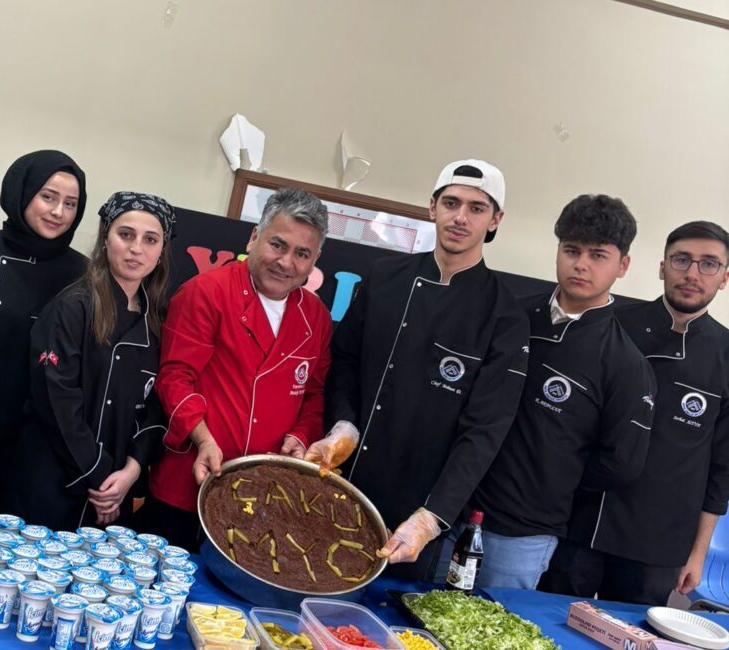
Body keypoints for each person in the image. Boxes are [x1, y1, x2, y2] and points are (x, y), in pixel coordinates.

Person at [310, 159, 529, 581]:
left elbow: (484, 431)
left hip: (414, 520)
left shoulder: (504, 315)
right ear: (432, 207)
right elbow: (345, 362)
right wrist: (343, 426)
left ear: (495, 219)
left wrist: (432, 517)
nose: (460, 217)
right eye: (451, 202)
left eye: (477, 208)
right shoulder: (384, 278)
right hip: (343, 486)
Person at [467, 195, 655, 589]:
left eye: (598, 255)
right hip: (452, 507)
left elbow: (621, 463)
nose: (581, 264)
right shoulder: (511, 315)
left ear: (623, 266)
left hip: (524, 531)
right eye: (572, 250)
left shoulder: (625, 361)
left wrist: (554, 474)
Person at [541, 221, 729, 605]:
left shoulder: (726, 353)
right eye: (681, 260)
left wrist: (697, 552)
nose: (692, 273)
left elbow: (722, 469)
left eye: (709, 264)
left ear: (725, 277)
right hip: (581, 522)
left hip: (659, 542)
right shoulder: (613, 325)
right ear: (662, 267)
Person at [140, 187, 333, 550]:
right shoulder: (205, 292)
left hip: (262, 500)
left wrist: (301, 435)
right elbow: (175, 378)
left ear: (315, 259)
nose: (286, 262)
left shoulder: (317, 317)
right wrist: (203, 438)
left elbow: (314, 394)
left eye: (302, 254)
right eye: (278, 244)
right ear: (255, 236)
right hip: (188, 485)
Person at [3, 191, 173, 530]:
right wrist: (98, 476)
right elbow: (56, 401)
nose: (136, 248)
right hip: (53, 484)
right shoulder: (73, 307)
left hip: (115, 490)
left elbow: (156, 407)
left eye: (150, 239)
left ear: (161, 251)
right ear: (106, 239)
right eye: (125, 235)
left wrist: (130, 472)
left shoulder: (158, 322)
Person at [0, 150, 88, 514]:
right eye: (48, 197)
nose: (58, 212)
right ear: (21, 193)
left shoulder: (86, 275)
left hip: (43, 445)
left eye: (70, 203)